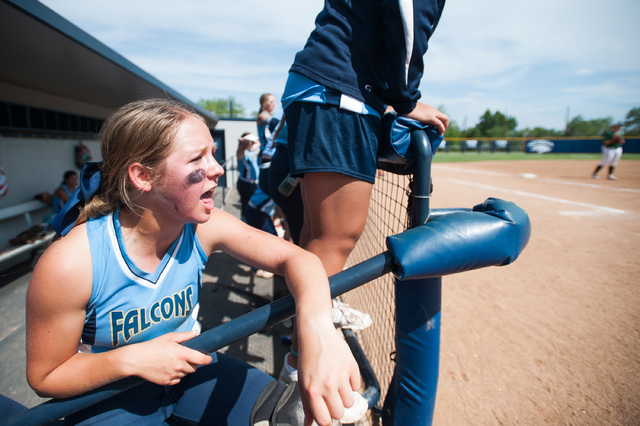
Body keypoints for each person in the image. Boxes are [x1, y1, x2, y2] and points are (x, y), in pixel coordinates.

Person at [26, 98, 366, 425]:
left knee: (287, 417)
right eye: (197, 159)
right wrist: (131, 359)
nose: (217, 169)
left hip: (189, 374)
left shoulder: (202, 225)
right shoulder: (72, 261)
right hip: (110, 395)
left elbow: (297, 258)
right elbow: (46, 376)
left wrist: (318, 330)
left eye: (213, 155)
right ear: (142, 176)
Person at [279, 0, 449, 387]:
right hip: (340, 92)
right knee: (337, 236)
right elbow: (407, 21)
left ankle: (302, 347)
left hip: (330, 88)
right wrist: (406, 100)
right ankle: (303, 372)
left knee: (318, 235)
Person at [236, 132, 261, 216]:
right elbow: (242, 147)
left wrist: (254, 140)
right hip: (246, 184)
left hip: (255, 184)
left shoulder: (250, 151)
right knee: (246, 207)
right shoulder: (241, 152)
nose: (252, 144)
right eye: (251, 142)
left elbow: (259, 143)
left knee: (254, 207)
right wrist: (244, 140)